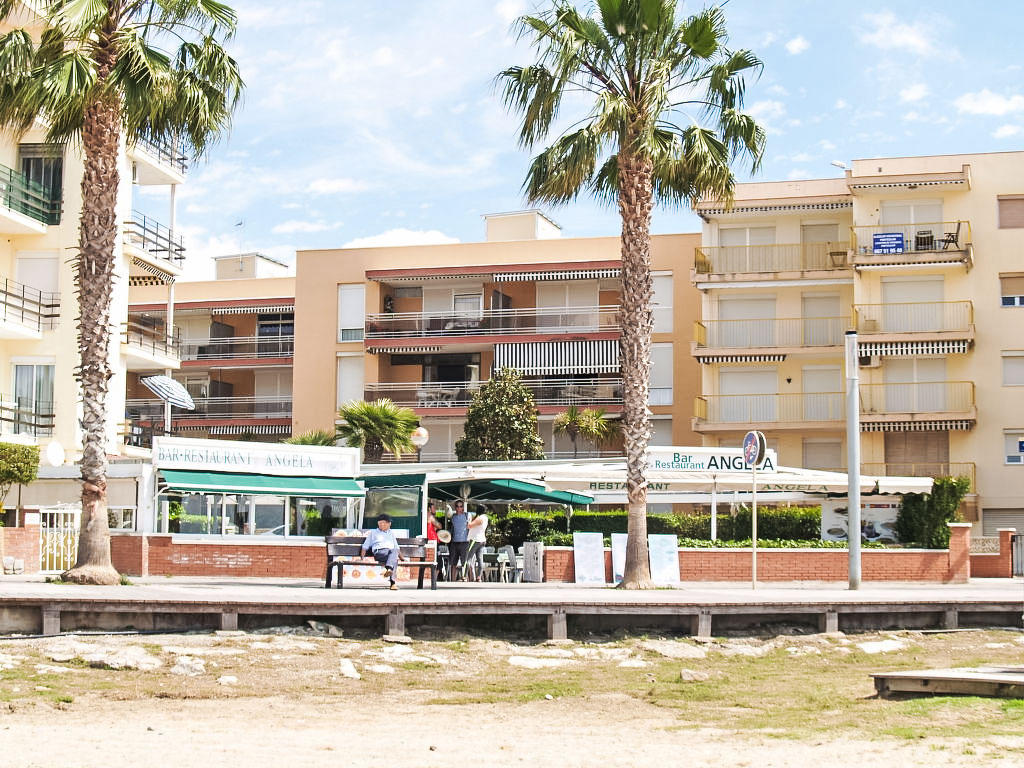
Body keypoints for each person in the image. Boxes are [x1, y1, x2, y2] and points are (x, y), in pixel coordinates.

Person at [360, 513, 403, 590]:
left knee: (394, 557)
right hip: (379, 553)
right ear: (379, 523)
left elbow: (396, 547)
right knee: (394, 557)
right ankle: (392, 581)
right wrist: (362, 558)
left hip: (390, 554)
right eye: (381, 523)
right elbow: (365, 546)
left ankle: (390, 574)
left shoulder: (391, 533)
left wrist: (402, 558)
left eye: (386, 523)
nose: (383, 525)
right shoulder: (373, 532)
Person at [447, 500, 470, 581]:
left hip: (465, 542)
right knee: (453, 563)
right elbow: (452, 529)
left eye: (461, 506)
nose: (459, 508)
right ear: (455, 507)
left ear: (463, 507)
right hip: (454, 542)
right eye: (457, 506)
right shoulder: (453, 517)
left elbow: (471, 526)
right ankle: (452, 580)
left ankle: (467, 579)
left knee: (465, 562)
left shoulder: (467, 515)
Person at [467, 507, 489, 582]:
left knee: (468, 558)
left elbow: (469, 526)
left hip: (475, 540)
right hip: (482, 540)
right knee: (480, 559)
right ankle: (479, 576)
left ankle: (464, 576)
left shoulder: (480, 518)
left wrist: (469, 519)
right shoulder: (485, 518)